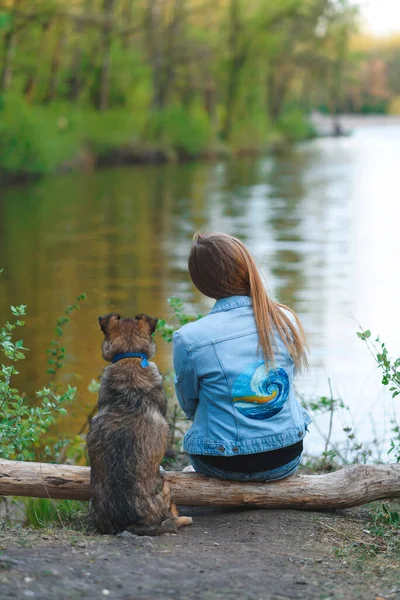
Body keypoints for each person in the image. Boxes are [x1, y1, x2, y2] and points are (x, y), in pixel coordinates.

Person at [172, 232, 311, 482]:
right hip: (286, 458)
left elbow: (189, 404)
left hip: (221, 463)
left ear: (201, 283)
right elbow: (287, 382)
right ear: (246, 267)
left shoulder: (190, 338)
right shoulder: (285, 320)